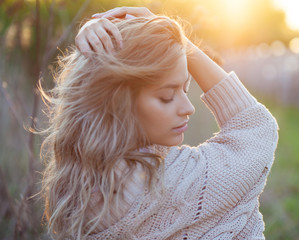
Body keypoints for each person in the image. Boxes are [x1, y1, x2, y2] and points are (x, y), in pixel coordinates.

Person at [40, 6, 278, 240]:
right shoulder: (166, 186)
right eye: (167, 96)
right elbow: (255, 128)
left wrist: (100, 49)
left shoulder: (77, 179)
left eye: (186, 89)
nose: (189, 108)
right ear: (117, 103)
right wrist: (183, 42)